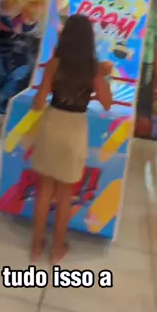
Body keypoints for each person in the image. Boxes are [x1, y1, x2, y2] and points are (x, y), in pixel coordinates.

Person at [30, 14, 113, 262]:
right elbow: (107, 103)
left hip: (52, 124)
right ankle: (57, 250)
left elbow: (38, 104)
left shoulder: (54, 64)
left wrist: (47, 87)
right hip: (75, 130)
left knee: (44, 191)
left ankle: (36, 247)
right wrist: (103, 78)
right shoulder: (93, 68)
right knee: (65, 195)